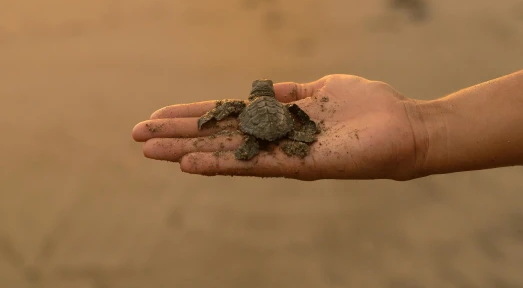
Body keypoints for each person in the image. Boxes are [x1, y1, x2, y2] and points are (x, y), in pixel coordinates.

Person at [132, 71, 523, 180]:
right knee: (291, 134)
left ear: (255, 95)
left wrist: (207, 119)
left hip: (254, 129)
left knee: (242, 140)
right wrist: (304, 128)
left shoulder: (241, 107)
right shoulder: (289, 110)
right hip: (286, 128)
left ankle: (256, 145)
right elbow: (301, 113)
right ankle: (296, 142)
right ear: (270, 93)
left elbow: (223, 113)